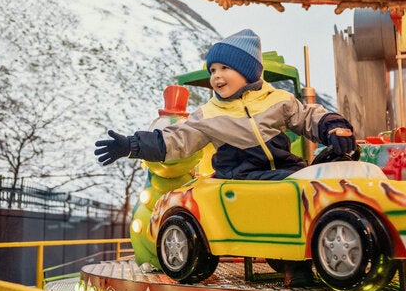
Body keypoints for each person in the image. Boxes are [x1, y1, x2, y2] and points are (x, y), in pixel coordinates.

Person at [94, 29, 356, 179]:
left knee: (323, 175)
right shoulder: (209, 114)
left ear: (248, 72)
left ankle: (297, 267)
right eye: (213, 70)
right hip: (240, 178)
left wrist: (333, 127)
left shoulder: (278, 100)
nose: (216, 76)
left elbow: (308, 116)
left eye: (225, 68)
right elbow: (176, 139)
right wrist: (132, 145)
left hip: (285, 171)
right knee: (297, 186)